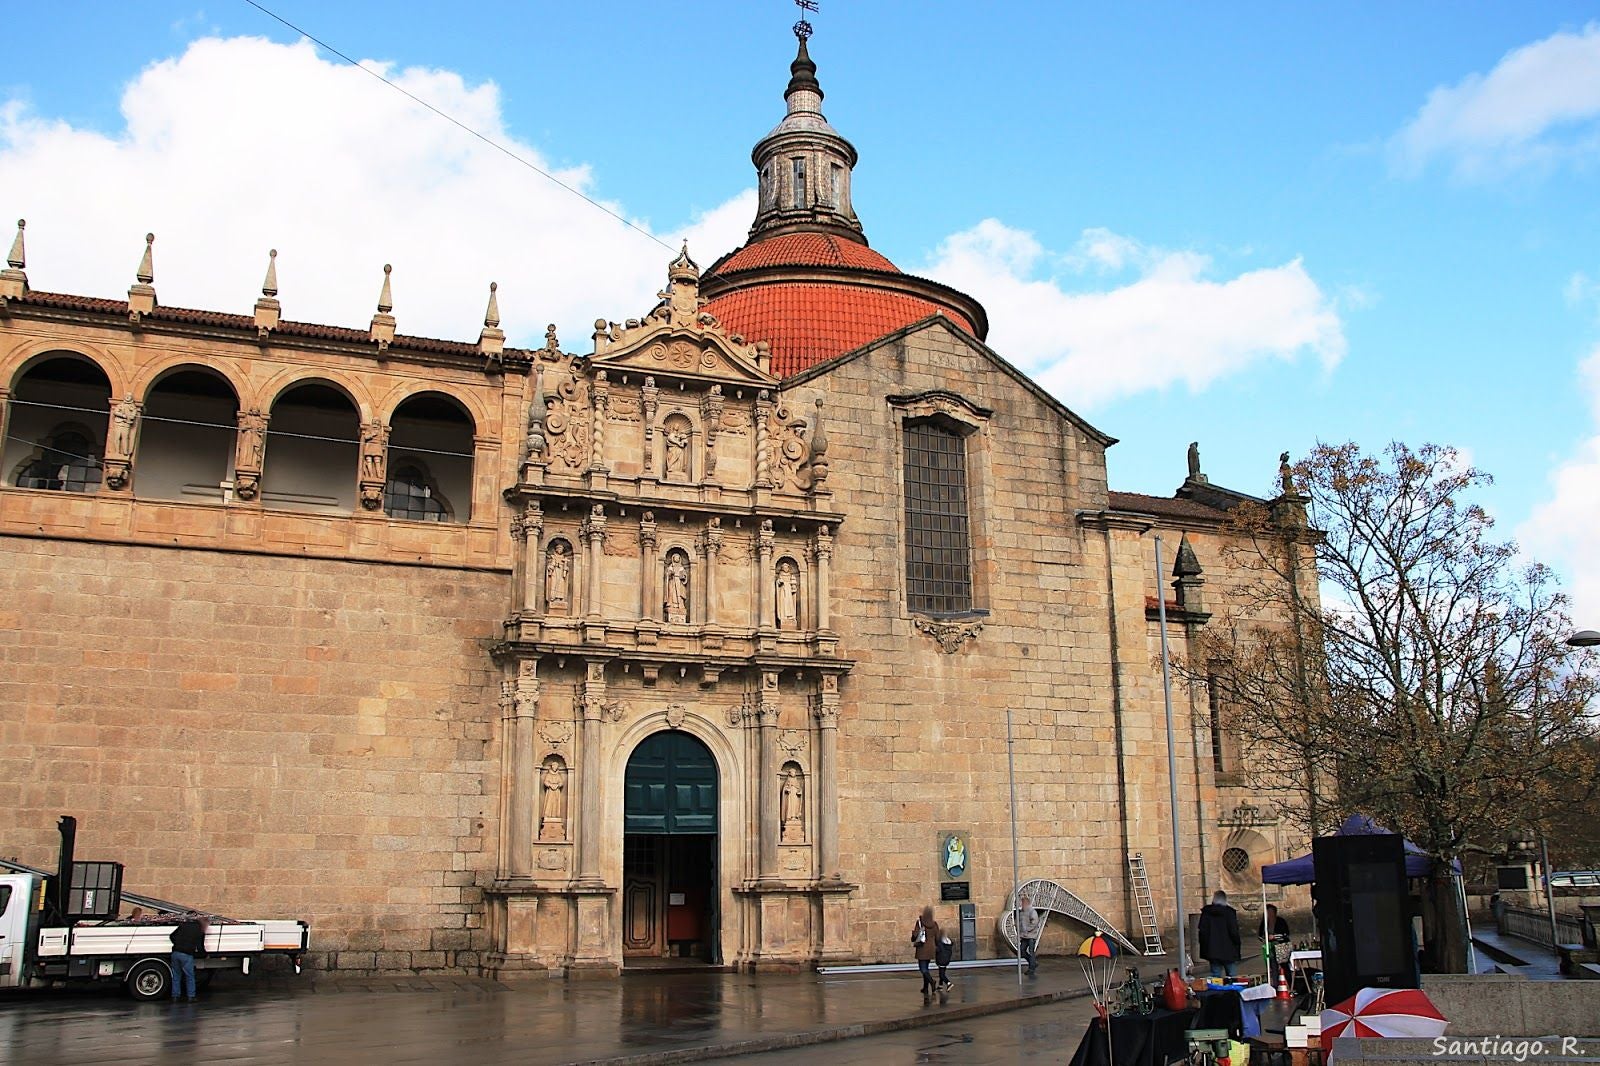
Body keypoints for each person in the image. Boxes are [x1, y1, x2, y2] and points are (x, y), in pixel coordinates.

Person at [1198, 890, 1242, 979]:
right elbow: (1233, 932)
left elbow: (1202, 932)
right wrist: (1237, 944)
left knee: (1215, 977)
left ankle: (1217, 992)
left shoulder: (1207, 913)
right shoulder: (1229, 913)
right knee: (1232, 977)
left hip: (1212, 949)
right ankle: (1233, 992)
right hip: (1229, 950)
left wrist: (1205, 947)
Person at [169, 916, 206, 1001]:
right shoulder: (200, 930)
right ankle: (191, 996)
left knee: (176, 975)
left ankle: (175, 996)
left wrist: (178, 944)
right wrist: (205, 955)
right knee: (189, 976)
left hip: (175, 953)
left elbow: (172, 936)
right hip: (187, 955)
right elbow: (200, 947)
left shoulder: (183, 925)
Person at [911, 905, 941, 998]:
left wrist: (913, 936)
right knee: (926, 968)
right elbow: (937, 937)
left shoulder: (920, 923)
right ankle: (925, 987)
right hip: (931, 949)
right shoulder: (934, 924)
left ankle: (932, 981)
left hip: (922, 948)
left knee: (922, 969)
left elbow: (915, 935)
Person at [1265, 903, 1291, 987]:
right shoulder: (1265, 922)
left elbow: (1286, 934)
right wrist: (1266, 938)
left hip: (1281, 947)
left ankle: (1290, 984)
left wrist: (1274, 937)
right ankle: (1275, 985)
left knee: (1285, 966)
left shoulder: (1280, 921)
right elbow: (1260, 935)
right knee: (1273, 967)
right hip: (1270, 948)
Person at [1018, 893, 1043, 977]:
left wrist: (1028, 929)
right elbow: (1020, 922)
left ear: (1026, 903)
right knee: (1022, 951)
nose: (1021, 904)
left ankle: (1031, 969)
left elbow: (1035, 922)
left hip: (1031, 936)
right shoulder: (1022, 912)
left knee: (1031, 952)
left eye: (1023, 903)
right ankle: (1033, 963)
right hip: (1024, 936)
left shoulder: (1032, 911)